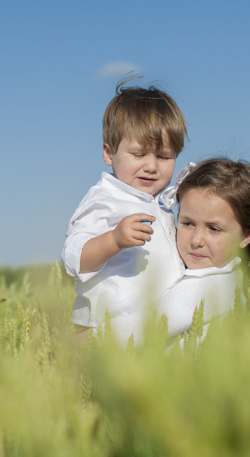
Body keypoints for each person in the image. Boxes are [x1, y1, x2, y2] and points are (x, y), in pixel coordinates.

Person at [61, 79, 188, 342]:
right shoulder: (105, 199)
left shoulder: (159, 203)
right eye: (139, 154)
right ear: (109, 153)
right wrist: (113, 240)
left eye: (164, 157)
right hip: (103, 329)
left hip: (145, 329)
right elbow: (74, 256)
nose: (152, 166)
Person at [158, 157, 250, 339]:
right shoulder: (236, 281)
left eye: (214, 229)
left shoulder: (204, 286)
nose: (196, 240)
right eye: (188, 223)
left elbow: (135, 332)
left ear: (246, 235)